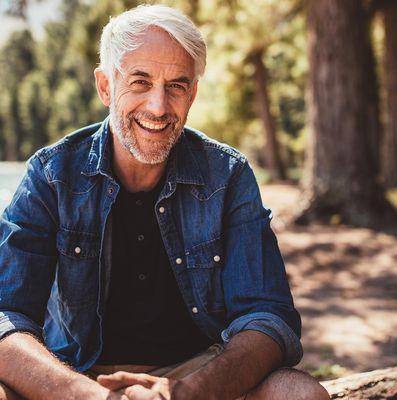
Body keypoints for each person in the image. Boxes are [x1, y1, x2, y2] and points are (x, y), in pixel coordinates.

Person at [0, 5, 329, 400]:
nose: (159, 107)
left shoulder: (228, 175)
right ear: (105, 86)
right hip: (75, 372)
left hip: (197, 371)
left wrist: (190, 391)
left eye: (176, 85)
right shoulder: (52, 174)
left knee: (297, 392)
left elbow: (267, 315)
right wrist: (84, 394)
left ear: (192, 93)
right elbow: (6, 314)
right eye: (140, 81)